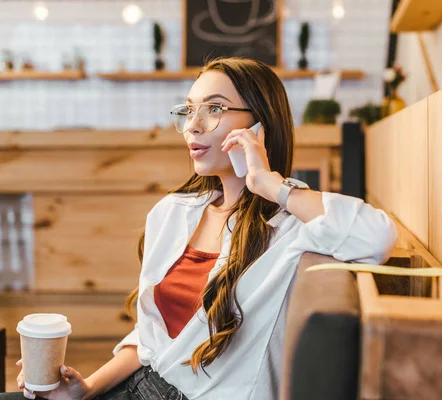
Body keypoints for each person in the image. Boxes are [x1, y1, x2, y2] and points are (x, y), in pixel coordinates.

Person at [5, 57, 397, 400]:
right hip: (137, 387)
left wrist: (269, 184)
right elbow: (150, 340)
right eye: (188, 110)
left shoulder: (291, 224)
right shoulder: (173, 213)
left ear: (261, 124)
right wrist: (86, 388)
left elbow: (376, 236)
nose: (193, 126)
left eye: (214, 109)